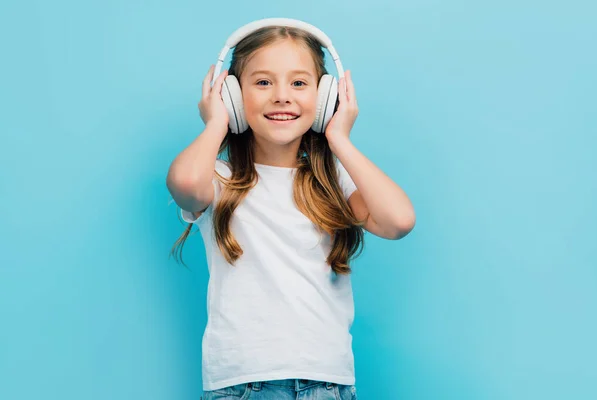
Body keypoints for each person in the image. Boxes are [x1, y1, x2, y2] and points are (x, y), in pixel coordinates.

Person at [166, 18, 415, 400]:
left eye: (299, 83)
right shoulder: (218, 177)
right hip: (243, 385)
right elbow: (185, 186)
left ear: (326, 97)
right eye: (263, 82)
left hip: (327, 383)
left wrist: (339, 139)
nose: (282, 96)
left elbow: (398, 221)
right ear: (232, 94)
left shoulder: (335, 179)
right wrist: (216, 122)